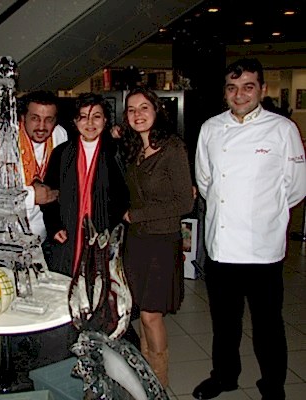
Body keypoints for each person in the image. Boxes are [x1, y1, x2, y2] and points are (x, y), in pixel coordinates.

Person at [193, 58, 306, 400]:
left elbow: (296, 188)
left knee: (268, 325)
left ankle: (273, 385)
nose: (239, 95)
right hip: (222, 246)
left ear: (262, 89)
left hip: (263, 249)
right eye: (232, 88)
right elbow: (205, 181)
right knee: (224, 323)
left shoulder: (283, 129)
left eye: (248, 87)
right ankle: (224, 376)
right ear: (224, 92)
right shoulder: (211, 128)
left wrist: (263, 214)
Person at [120, 86, 194, 388]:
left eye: (144, 108)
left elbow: (185, 203)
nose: (137, 114)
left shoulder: (172, 148)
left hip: (162, 241)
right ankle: (146, 378)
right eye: (131, 110)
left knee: (151, 315)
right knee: (142, 312)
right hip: (136, 241)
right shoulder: (133, 148)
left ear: (156, 111)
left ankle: (159, 383)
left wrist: (137, 215)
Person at [0, 90, 68, 268]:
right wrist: (31, 196)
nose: (42, 126)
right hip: (0, 237)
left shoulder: (60, 136)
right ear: (23, 117)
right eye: (35, 118)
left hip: (39, 236)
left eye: (49, 119)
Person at [42, 92, 129, 277]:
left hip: (105, 235)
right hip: (67, 232)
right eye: (83, 117)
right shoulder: (61, 153)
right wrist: (54, 226)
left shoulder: (116, 152)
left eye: (96, 116)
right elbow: (49, 194)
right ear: (75, 121)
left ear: (105, 120)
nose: (90, 123)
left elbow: (124, 196)